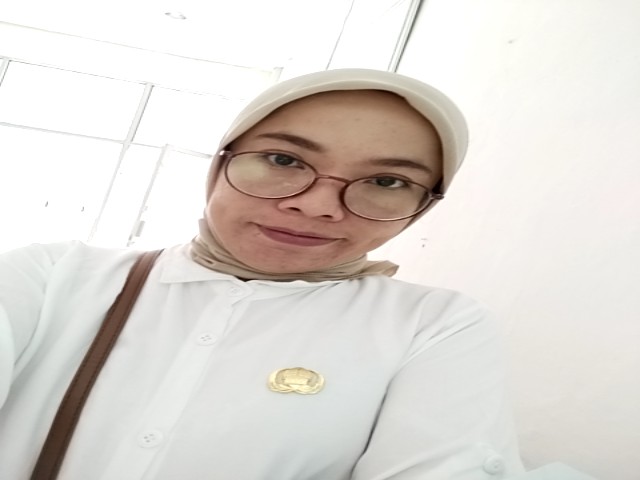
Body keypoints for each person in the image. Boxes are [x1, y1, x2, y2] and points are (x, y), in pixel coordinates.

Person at [0, 68, 525, 479]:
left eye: (386, 181)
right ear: (221, 161)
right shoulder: (52, 277)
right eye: (283, 159)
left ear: (423, 204)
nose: (316, 206)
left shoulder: (433, 326)